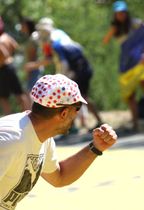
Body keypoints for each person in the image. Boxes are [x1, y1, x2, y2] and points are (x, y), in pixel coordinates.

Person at [0, 74, 117, 210]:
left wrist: (96, 147)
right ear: (64, 113)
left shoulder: (43, 138)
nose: (77, 114)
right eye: (77, 107)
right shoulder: (10, 140)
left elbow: (60, 177)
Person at [25, 17, 103, 130]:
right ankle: (75, 126)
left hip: (79, 69)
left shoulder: (55, 43)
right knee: (74, 98)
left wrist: (61, 79)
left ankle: (84, 124)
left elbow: (64, 63)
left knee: (78, 97)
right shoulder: (59, 34)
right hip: (80, 67)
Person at [103, 1, 144, 131]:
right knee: (129, 94)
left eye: (122, 12)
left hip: (139, 62)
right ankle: (135, 123)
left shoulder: (135, 23)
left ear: (126, 13)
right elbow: (105, 41)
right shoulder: (115, 28)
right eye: (118, 13)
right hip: (126, 62)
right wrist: (112, 29)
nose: (120, 15)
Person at [0, 16, 30, 115]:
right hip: (11, 67)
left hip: (3, 68)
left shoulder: (1, 39)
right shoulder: (6, 37)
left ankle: (8, 118)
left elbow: (4, 54)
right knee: (19, 93)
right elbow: (16, 46)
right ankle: (28, 116)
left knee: (3, 97)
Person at [20, 17, 42, 92]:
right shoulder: (32, 37)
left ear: (27, 25)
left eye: (22, 25)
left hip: (33, 68)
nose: (21, 27)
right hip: (34, 67)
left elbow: (32, 55)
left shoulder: (33, 37)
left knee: (32, 92)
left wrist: (29, 70)